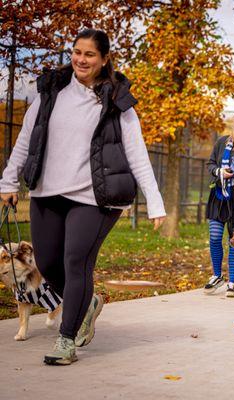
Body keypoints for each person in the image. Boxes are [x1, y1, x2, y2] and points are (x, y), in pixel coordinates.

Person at [0, 29, 165, 365]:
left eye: (90, 54)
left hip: (96, 197)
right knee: (47, 262)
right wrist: (8, 181)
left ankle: (66, 340)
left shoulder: (117, 101)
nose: (81, 59)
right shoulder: (51, 92)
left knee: (76, 261)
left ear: (104, 59)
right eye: (77, 52)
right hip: (48, 191)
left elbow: (136, 153)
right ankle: (86, 304)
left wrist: (155, 201)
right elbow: (26, 140)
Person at [203, 109, 234, 297]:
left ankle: (232, 282)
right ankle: (217, 275)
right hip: (220, 195)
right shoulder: (223, 142)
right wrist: (220, 172)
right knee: (215, 236)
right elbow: (210, 164)